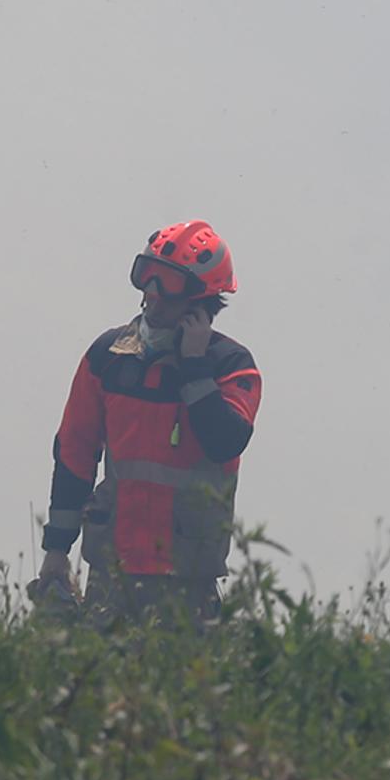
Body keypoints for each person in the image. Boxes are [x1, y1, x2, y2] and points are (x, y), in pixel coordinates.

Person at [31, 220, 263, 628]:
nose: (152, 293)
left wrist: (195, 368)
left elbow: (225, 441)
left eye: (168, 282)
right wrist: (56, 550)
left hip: (188, 582)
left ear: (200, 300)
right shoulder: (107, 357)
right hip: (111, 574)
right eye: (147, 275)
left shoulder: (232, 366)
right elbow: (74, 453)